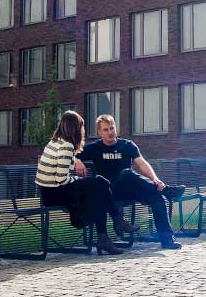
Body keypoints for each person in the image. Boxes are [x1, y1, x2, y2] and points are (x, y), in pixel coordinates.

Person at [35, 110, 139, 256]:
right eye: (82, 126)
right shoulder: (66, 147)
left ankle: (109, 231)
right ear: (76, 128)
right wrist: (81, 180)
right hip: (54, 194)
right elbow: (62, 179)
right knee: (99, 186)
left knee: (99, 188)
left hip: (48, 191)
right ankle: (115, 223)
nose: (83, 130)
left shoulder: (56, 141)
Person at [77, 115, 184, 250]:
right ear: (99, 132)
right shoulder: (94, 148)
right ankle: (167, 191)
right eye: (105, 130)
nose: (110, 132)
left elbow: (141, 163)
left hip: (130, 190)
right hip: (109, 192)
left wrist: (155, 180)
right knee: (127, 173)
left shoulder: (127, 145)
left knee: (156, 196)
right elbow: (71, 154)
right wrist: (77, 161)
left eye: (112, 128)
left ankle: (167, 240)